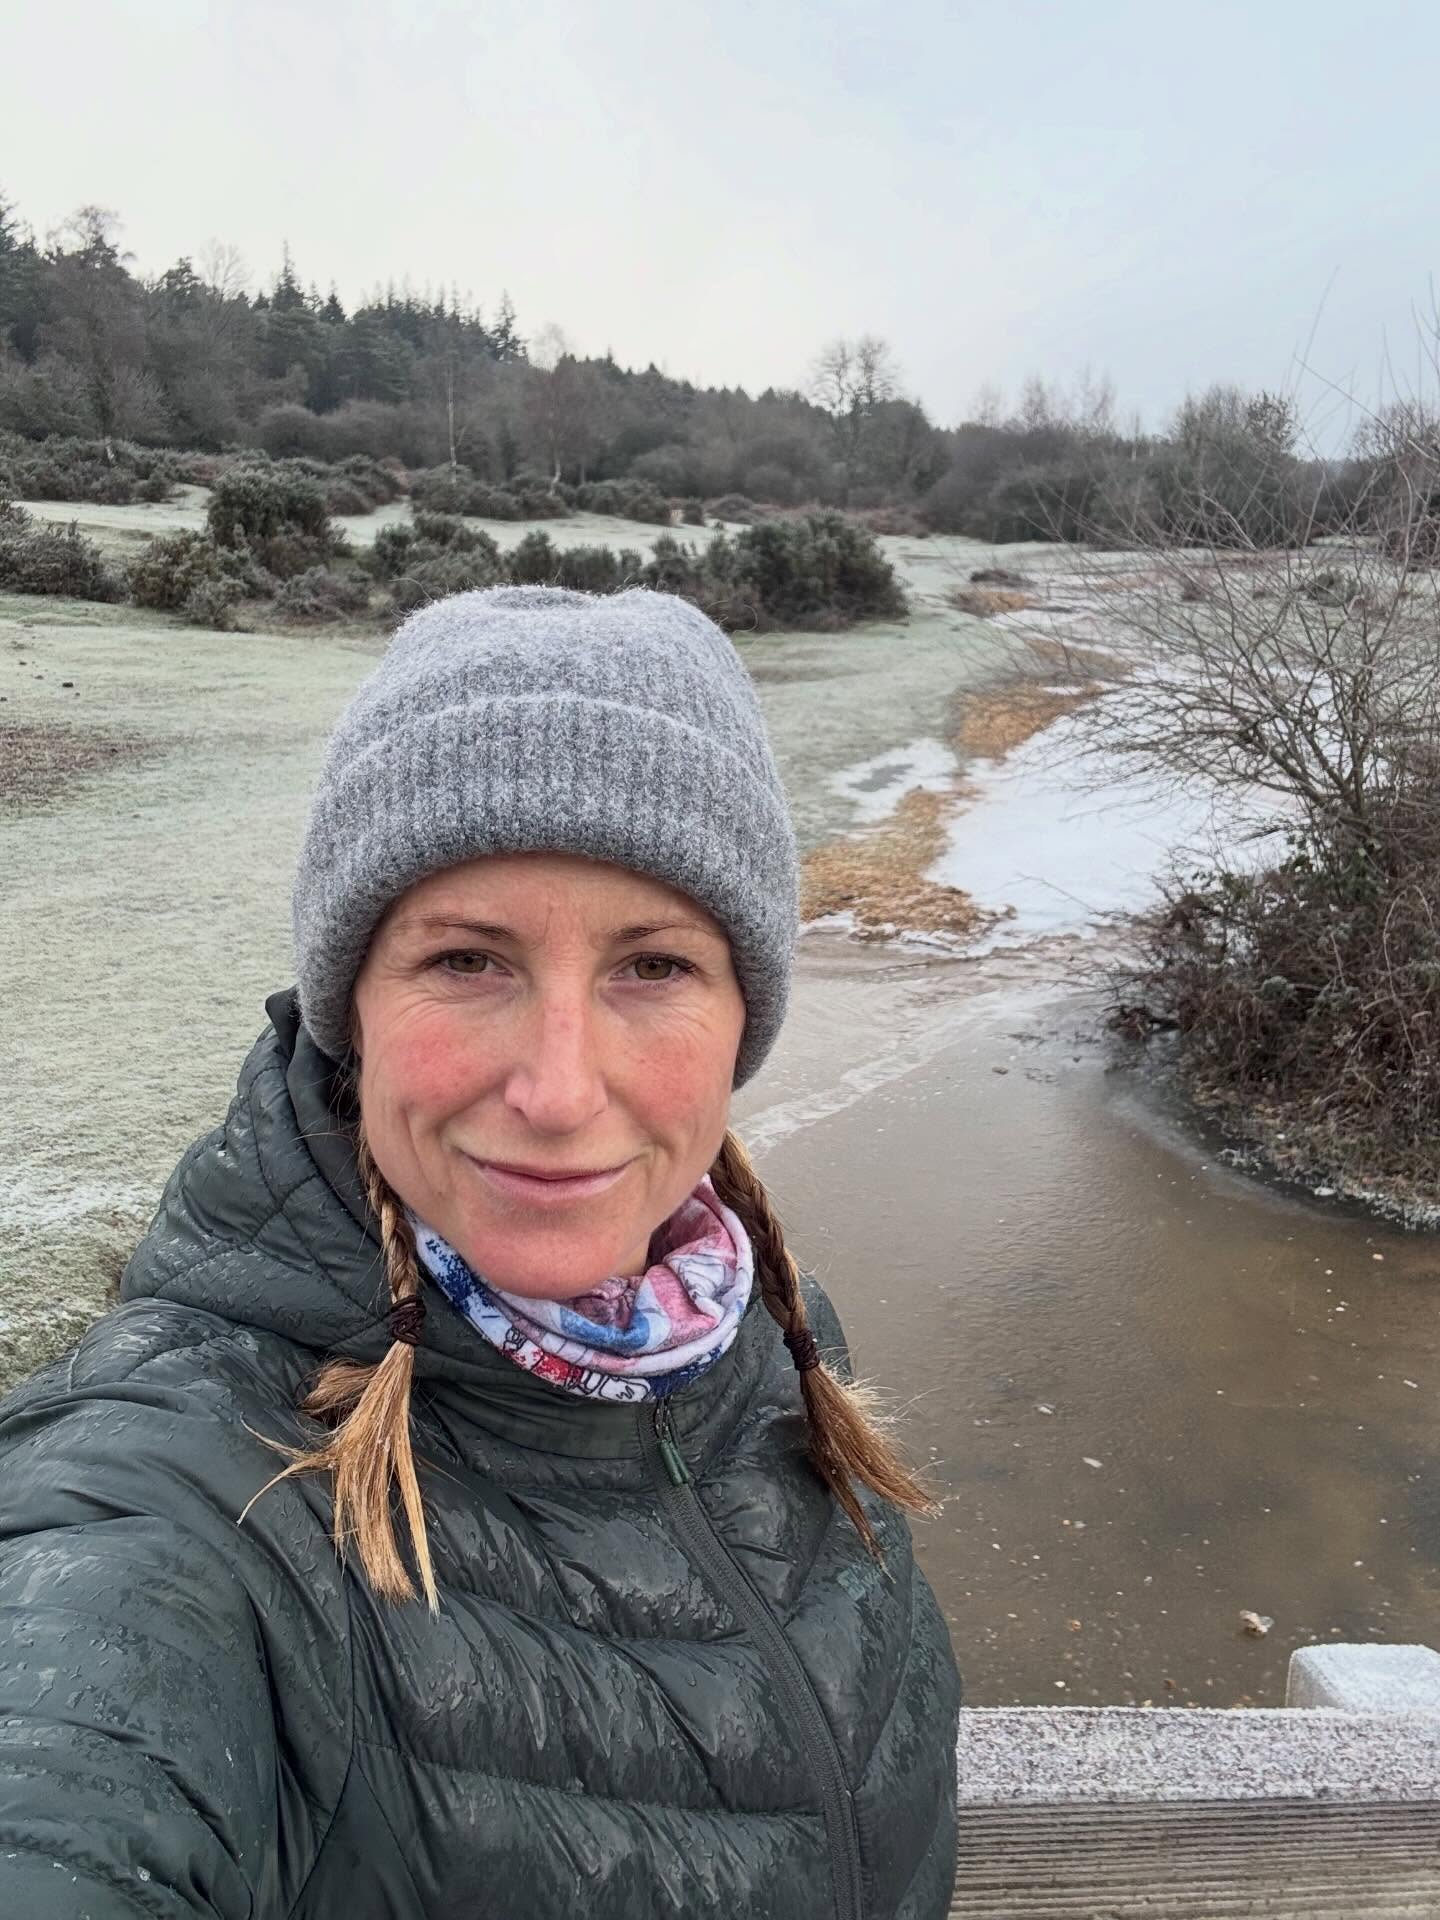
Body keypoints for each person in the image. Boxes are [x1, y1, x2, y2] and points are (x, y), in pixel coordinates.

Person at [0, 585, 962, 1918]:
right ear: (351, 1007)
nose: (559, 1092)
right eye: (466, 960)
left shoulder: (770, 1349)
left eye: (653, 968)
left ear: (745, 1015)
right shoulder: (180, 1496)